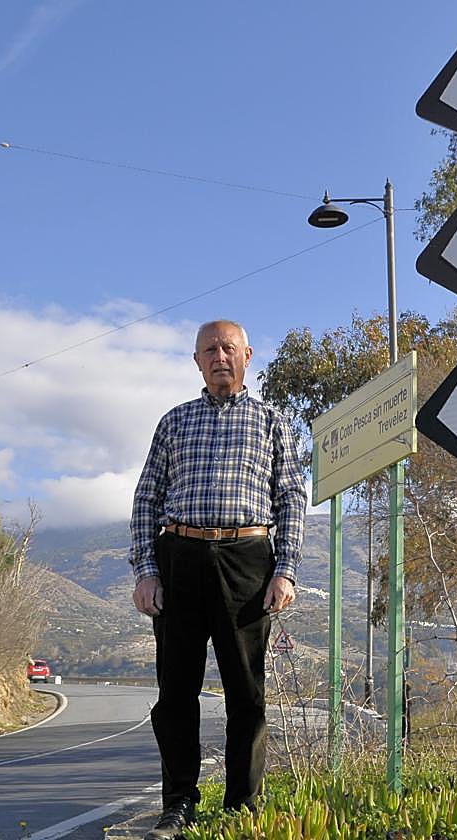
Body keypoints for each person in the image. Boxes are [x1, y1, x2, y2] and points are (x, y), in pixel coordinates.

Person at [129, 319, 306, 840]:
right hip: (179, 559)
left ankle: (241, 808)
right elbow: (146, 497)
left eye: (228, 348)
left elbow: (291, 498)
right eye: (209, 350)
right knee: (175, 692)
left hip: (247, 561)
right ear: (197, 361)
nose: (219, 357)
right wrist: (146, 571)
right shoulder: (174, 422)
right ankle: (178, 805)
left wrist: (285, 569)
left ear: (247, 356)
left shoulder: (272, 422)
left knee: (246, 694)